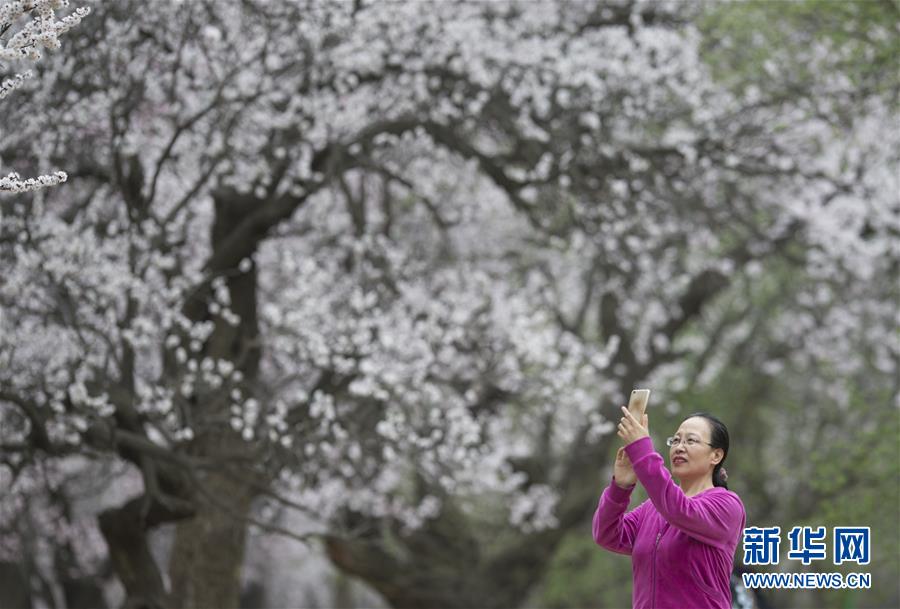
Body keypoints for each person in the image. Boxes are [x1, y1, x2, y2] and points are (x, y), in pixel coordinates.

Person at [592, 406, 746, 609]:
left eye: (690, 440)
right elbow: (607, 533)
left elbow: (679, 510)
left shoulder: (726, 505)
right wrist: (621, 487)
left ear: (716, 456)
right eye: (676, 440)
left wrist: (641, 448)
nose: (679, 447)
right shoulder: (652, 509)